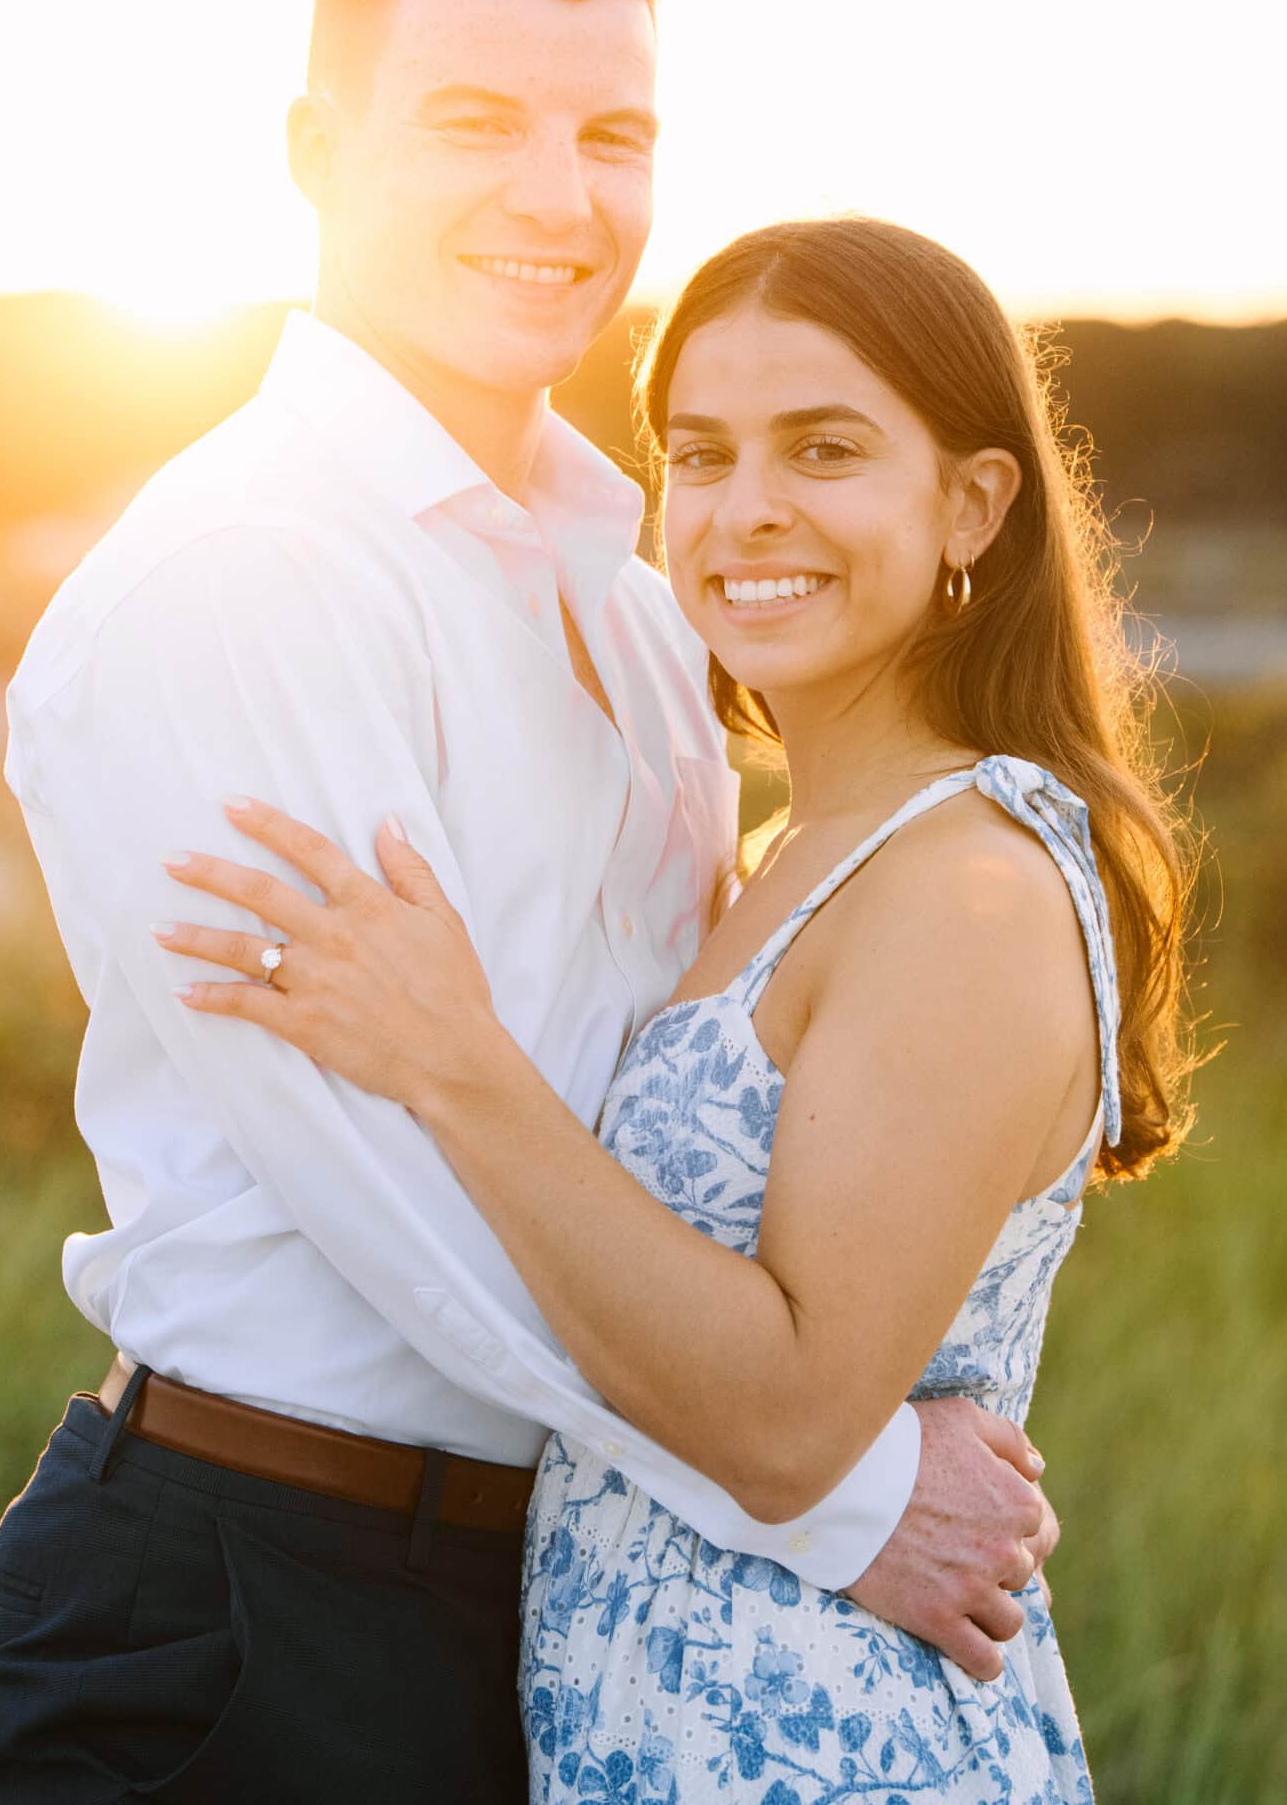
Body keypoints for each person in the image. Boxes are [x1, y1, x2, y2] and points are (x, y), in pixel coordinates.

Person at [0, 0, 1057, 1805]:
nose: (560, 196)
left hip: (550, 1589)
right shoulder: (242, 584)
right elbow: (393, 1188)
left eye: (613, 134)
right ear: (317, 151)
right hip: (259, 1587)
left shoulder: (635, 597)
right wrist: (834, 1490)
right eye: (478, 121)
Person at [161, 213, 1197, 1801]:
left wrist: (456, 1066)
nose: (745, 512)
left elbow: (787, 1424)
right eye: (700, 457)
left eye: (825, 448)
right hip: (650, 1724)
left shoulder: (964, 889)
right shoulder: (784, 850)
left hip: (824, 1744)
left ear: (970, 502)